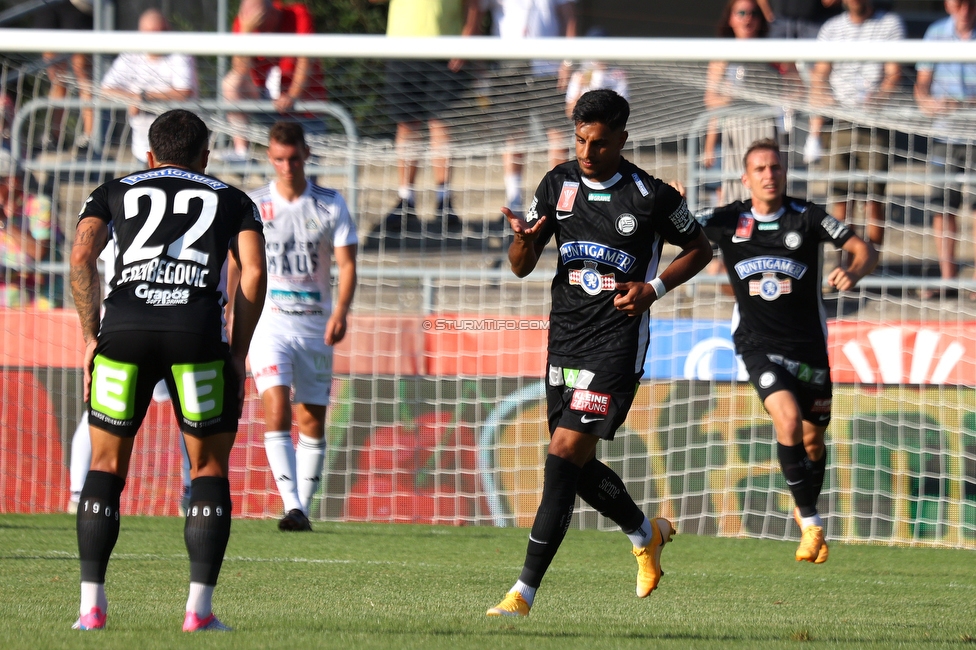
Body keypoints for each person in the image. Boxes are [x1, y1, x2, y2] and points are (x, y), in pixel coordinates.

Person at [486, 89, 713, 617]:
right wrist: (521, 238)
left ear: (623, 140)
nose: (588, 153)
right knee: (576, 466)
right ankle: (644, 532)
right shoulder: (557, 184)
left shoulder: (650, 196)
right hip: (564, 340)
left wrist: (654, 288)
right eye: (581, 140)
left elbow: (701, 248)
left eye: (600, 142)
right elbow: (522, 264)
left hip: (616, 343)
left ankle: (523, 593)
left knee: (562, 454)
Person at [68, 109, 266, 632]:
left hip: (125, 331)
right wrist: (238, 351)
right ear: (205, 157)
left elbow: (82, 256)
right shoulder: (234, 198)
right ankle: (198, 612)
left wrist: (91, 338)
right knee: (208, 470)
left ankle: (92, 609)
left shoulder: (112, 190)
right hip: (195, 333)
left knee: (105, 467)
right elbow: (254, 272)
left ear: (150, 157)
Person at [696, 138, 878, 564]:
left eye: (775, 167)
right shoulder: (728, 220)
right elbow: (678, 227)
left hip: (810, 349)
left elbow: (863, 249)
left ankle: (807, 513)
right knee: (789, 419)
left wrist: (852, 271)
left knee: (814, 442)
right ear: (745, 178)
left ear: (784, 173)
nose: (768, 175)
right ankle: (812, 521)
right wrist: (675, 201)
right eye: (759, 169)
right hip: (757, 346)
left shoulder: (807, 217)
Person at [244, 121, 358, 531]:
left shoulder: (329, 204)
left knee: (311, 420)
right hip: (270, 325)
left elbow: (347, 265)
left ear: (306, 155)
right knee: (274, 408)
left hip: (315, 326)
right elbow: (240, 263)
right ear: (270, 159)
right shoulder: (255, 204)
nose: (287, 166)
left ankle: (302, 510)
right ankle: (291, 505)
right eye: (279, 159)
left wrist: (340, 311)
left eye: (293, 158)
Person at [68, 232, 191, 515]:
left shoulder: (119, 203)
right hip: (181, 323)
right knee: (193, 412)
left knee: (99, 414)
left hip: (125, 325)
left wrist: (92, 335)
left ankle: (79, 495)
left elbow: (82, 256)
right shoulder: (198, 203)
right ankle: (194, 493)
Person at [370, 0, 481, 236]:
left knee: (440, 124)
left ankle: (444, 202)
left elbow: (473, 5)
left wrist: (467, 40)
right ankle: (405, 200)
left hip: (444, 51)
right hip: (402, 48)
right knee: (407, 124)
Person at [806, 0, 904, 248]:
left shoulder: (889, 24)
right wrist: (822, 100)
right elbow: (820, 73)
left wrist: (878, 97)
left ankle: (871, 264)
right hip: (838, 123)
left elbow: (894, 73)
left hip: (875, 124)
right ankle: (845, 260)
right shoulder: (831, 28)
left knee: (874, 199)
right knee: (840, 198)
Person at [478, 0, 578, 216]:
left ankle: (558, 201)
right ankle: (514, 202)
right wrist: (480, 61)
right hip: (509, 64)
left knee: (558, 135)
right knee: (513, 134)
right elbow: (476, 10)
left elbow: (569, 16)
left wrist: (567, 61)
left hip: (548, 64)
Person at [704, 0, 799, 205]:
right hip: (735, 131)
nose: (748, 18)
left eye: (754, 13)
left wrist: (782, 101)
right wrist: (710, 144)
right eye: (741, 12)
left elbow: (797, 88)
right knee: (736, 189)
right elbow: (711, 100)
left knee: (768, 184)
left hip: (767, 128)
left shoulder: (774, 51)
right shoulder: (722, 55)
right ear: (731, 18)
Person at [913, 0, 976, 296]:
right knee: (942, 207)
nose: (965, 8)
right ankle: (947, 278)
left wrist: (966, 105)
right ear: (949, 5)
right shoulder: (935, 33)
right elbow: (921, 86)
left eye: (970, 2)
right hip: (944, 135)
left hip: (974, 134)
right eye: (959, 1)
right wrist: (929, 103)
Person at [220, 0, 327, 159]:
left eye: (261, 21)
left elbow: (305, 60)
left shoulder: (298, 14)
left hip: (303, 107)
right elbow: (240, 70)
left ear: (271, 12)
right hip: (266, 104)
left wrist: (292, 95)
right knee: (231, 83)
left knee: (306, 172)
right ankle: (241, 152)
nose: (259, 28)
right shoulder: (244, 24)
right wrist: (246, 33)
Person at [99, 8, 199, 164]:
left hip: (180, 143)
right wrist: (133, 98)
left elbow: (184, 91)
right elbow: (106, 89)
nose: (155, 36)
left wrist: (144, 97)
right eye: (150, 31)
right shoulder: (131, 55)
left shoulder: (180, 54)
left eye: (160, 31)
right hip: (142, 145)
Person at [33, 0, 94, 152]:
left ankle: (90, 135)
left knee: (82, 73)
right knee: (56, 76)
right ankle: (53, 136)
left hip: (75, 6)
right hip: (47, 7)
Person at [563, 27, 628, 118]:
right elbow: (569, 113)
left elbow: (622, 110)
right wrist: (580, 89)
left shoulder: (617, 74)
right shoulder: (579, 75)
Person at [756, 0, 842, 39]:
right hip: (779, 22)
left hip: (816, 22)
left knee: (815, 70)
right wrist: (767, 12)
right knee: (773, 71)